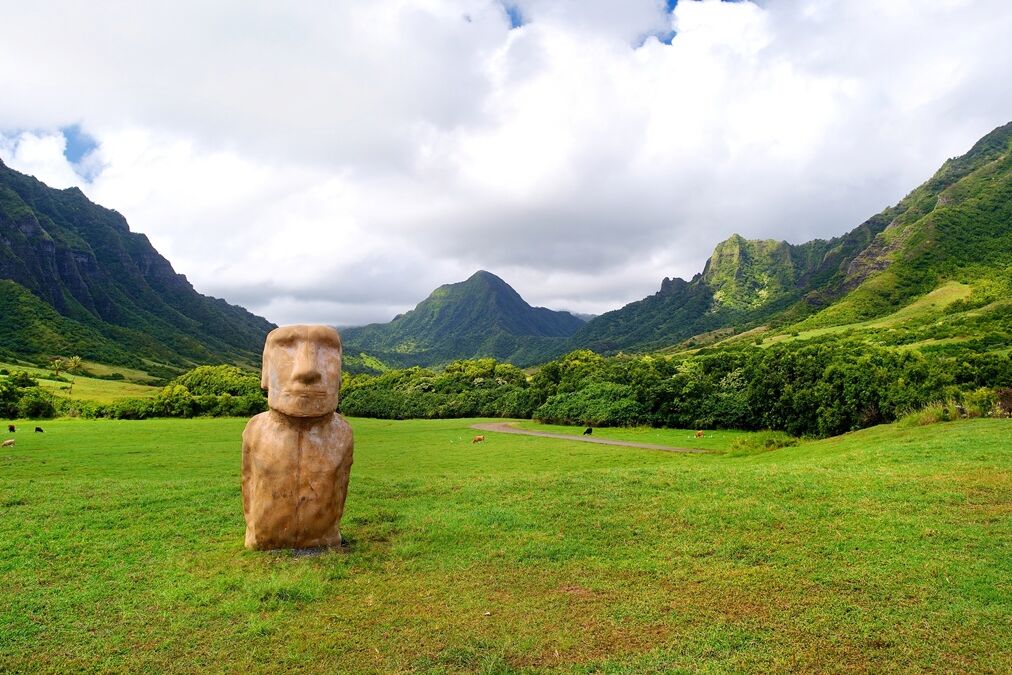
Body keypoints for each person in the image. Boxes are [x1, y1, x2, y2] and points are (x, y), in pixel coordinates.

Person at [241, 325, 354, 550]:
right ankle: (263, 538)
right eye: (285, 348)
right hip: (263, 537)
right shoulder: (256, 428)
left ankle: (322, 537)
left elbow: (341, 489)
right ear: (265, 371)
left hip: (325, 537)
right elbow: (248, 483)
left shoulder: (342, 432)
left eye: (327, 349)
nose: (306, 370)